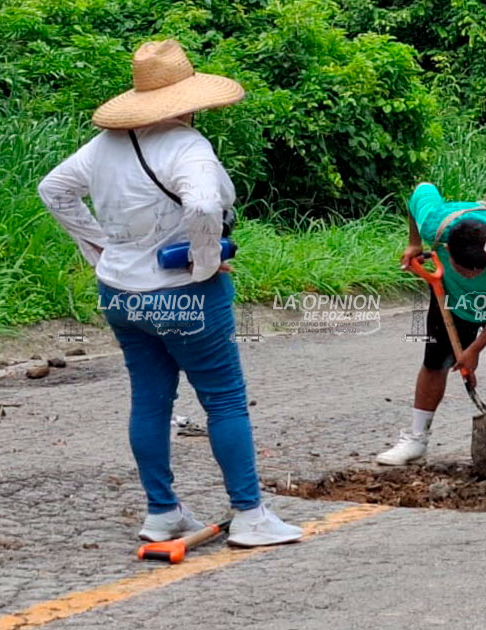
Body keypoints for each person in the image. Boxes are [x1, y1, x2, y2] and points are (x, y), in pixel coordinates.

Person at [38, 40, 303, 548]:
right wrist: (205, 263)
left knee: (151, 399)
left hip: (120, 294)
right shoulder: (188, 147)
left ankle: (162, 511)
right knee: (224, 400)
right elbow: (204, 209)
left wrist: (98, 248)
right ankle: (249, 514)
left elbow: (54, 190)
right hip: (184, 294)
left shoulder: (104, 146)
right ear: (190, 98)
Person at [376, 184, 486, 465]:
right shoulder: (436, 224)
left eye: (477, 272)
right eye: (462, 270)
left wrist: (475, 350)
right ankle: (416, 439)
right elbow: (420, 190)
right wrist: (414, 243)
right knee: (435, 362)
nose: (469, 277)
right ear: (446, 251)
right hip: (451, 302)